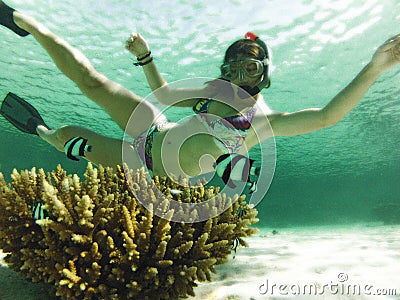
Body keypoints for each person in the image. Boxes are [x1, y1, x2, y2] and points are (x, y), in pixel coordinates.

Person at [1, 1, 400, 193]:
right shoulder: (211, 92)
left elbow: (328, 116)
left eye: (251, 68)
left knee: (67, 139)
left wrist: (375, 67)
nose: (238, 75)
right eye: (232, 67)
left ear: (264, 77)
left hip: (145, 167)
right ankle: (25, 22)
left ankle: (38, 129)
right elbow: (164, 93)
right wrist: (145, 57)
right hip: (154, 127)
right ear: (223, 71)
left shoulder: (265, 123)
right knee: (91, 81)